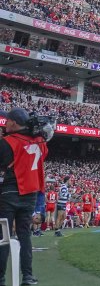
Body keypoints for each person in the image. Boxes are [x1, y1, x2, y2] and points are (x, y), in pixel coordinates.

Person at [0, 108, 50, 285]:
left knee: (3, 237)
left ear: (14, 122)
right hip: (30, 194)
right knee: (25, 235)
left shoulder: (7, 142)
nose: (5, 124)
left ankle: (1, 277)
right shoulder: (40, 142)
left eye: (7, 121)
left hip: (9, 193)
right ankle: (28, 276)